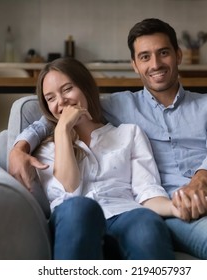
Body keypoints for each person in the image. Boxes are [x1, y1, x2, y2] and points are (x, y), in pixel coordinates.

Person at [9, 18, 207, 260]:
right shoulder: (119, 106)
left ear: (178, 55)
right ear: (135, 65)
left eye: (163, 52)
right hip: (181, 207)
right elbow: (63, 111)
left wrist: (199, 183)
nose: (155, 63)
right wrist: (19, 146)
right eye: (145, 57)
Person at [31, 57, 180, 260]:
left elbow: (147, 191)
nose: (61, 101)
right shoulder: (47, 148)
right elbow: (70, 190)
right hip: (75, 219)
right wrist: (63, 130)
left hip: (125, 215)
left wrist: (175, 207)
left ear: (85, 87)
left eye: (67, 89)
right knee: (81, 207)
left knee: (146, 222)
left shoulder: (130, 134)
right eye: (51, 98)